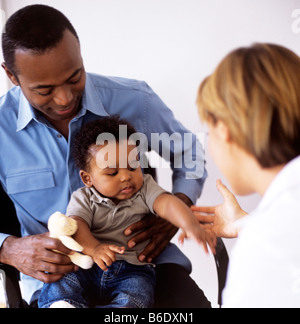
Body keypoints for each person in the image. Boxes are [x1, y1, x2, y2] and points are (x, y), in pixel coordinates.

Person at [0, 5, 210, 307]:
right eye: (44, 90)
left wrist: (179, 208)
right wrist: (7, 249)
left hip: (143, 264)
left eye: (74, 77)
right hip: (57, 278)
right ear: (11, 75)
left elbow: (190, 153)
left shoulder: (136, 100)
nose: (64, 99)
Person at [38, 117, 215, 308]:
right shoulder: (83, 197)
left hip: (133, 270)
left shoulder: (145, 188)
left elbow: (167, 203)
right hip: (89, 267)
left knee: (137, 296)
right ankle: (62, 304)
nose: (125, 177)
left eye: (132, 166)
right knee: (63, 282)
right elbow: (77, 225)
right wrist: (95, 248)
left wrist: (188, 223)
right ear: (87, 178)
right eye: (112, 173)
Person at [193, 43, 300, 307]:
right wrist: (246, 224)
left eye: (208, 131)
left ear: (224, 130)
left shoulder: (263, 249)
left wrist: (257, 232)